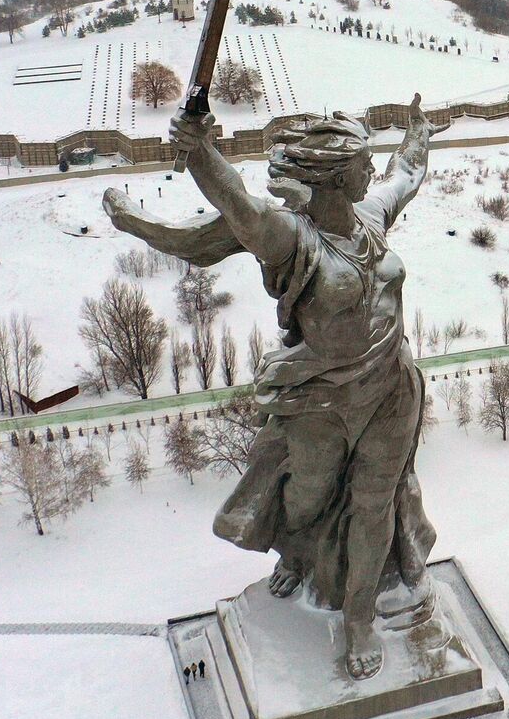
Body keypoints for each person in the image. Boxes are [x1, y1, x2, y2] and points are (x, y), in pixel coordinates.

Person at [105, 96, 449, 681]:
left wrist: (418, 134)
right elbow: (238, 204)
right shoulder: (295, 240)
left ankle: (360, 615)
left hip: (390, 391)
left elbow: (405, 176)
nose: (372, 173)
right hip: (322, 401)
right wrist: (200, 153)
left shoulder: (370, 217)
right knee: (304, 498)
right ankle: (299, 553)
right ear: (338, 178)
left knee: (373, 505)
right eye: (363, 166)